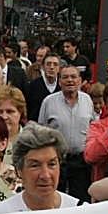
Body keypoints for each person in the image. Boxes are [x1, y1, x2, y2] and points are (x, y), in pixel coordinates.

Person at [0, 123, 79, 214]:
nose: (45, 175)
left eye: (52, 164)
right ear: (19, 170)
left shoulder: (78, 211)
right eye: (35, 166)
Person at [37, 64, 96, 202]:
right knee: (55, 197)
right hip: (57, 160)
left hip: (81, 161)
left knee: (81, 198)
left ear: (80, 81)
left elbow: (92, 127)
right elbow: (41, 130)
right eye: (65, 77)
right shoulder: (49, 102)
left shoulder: (87, 100)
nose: (70, 80)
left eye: (73, 77)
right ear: (59, 81)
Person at [23, 52, 60, 124]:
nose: (52, 67)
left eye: (55, 64)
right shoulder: (32, 86)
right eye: (48, 64)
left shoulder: (62, 86)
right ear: (42, 67)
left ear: (59, 68)